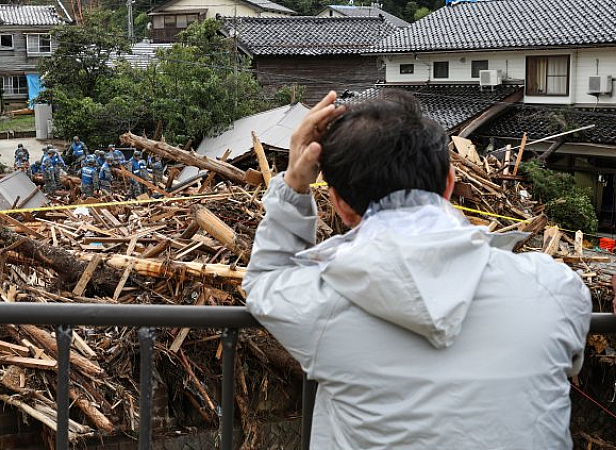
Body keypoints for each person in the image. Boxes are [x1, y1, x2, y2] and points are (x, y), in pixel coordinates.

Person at [242, 91, 591, 449]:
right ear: (450, 183)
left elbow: (265, 279)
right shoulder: (552, 289)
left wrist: (293, 186)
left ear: (340, 206)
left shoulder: (321, 304)